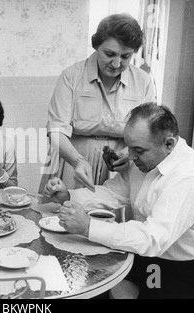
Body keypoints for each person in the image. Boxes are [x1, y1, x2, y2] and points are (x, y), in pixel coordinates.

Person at [44, 102, 194, 299]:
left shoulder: (188, 177)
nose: (130, 157)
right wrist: (69, 196)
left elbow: (152, 238)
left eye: (139, 150)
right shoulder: (146, 162)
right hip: (153, 260)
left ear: (169, 144)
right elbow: (111, 194)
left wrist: (88, 226)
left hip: (193, 272)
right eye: (129, 147)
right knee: (86, 281)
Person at [39, 13, 156, 194]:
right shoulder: (71, 76)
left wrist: (127, 153)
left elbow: (149, 132)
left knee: (114, 218)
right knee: (62, 213)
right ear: (96, 46)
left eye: (126, 56)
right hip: (73, 161)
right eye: (109, 54)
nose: (116, 64)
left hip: (120, 168)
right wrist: (78, 161)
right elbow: (56, 132)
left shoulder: (143, 82)